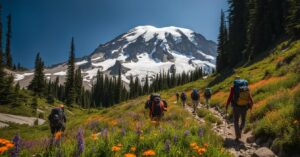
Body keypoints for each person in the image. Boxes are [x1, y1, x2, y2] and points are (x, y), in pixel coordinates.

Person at [225, 76, 253, 142]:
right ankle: (240, 130)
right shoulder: (246, 87)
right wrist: (251, 105)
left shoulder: (233, 88)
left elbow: (230, 97)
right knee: (243, 120)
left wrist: (227, 105)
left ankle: (237, 136)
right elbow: (250, 98)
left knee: (236, 121)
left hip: (236, 107)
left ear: (235, 81)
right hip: (244, 106)